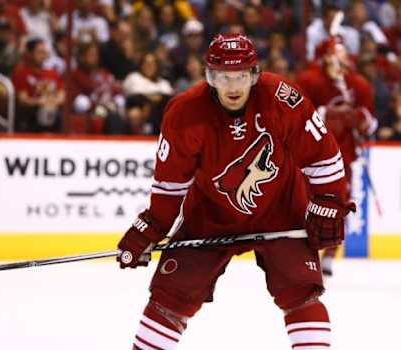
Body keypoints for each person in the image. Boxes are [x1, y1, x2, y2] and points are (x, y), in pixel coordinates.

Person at [116, 33, 355, 349]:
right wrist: (153, 224)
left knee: (301, 291)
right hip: (209, 216)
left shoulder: (282, 99)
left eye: (241, 75)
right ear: (209, 76)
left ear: (254, 74)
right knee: (171, 296)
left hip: (281, 211)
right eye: (222, 76)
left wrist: (329, 199)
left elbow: (322, 154)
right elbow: (170, 184)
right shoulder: (185, 113)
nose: (232, 86)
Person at [295, 37, 377, 276]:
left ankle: (330, 253)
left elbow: (371, 124)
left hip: (343, 156)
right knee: (304, 203)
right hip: (310, 156)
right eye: (334, 57)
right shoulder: (308, 80)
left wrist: (360, 118)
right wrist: (325, 113)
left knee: (337, 204)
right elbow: (294, 116)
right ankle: (303, 251)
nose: (339, 63)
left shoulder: (358, 84)